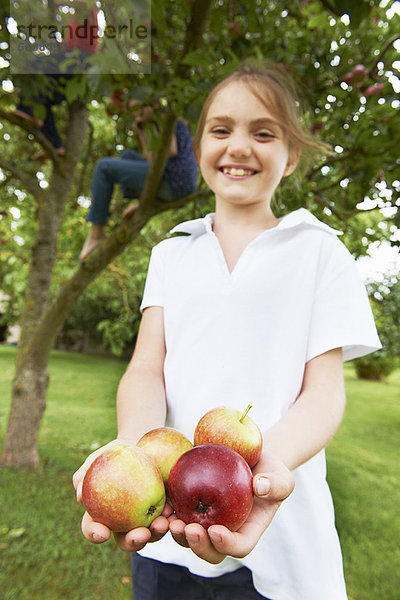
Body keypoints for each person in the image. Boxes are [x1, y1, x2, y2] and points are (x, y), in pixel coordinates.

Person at [73, 63, 381, 600]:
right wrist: (131, 450)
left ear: (292, 158)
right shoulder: (171, 252)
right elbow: (147, 369)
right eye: (221, 129)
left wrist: (259, 474)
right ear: (199, 150)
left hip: (283, 528)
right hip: (170, 522)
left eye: (263, 133)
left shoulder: (320, 252)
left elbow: (325, 392)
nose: (239, 145)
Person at [79, 109, 198, 260]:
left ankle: (96, 234)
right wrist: (141, 133)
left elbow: (171, 150)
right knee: (127, 156)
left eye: (140, 111)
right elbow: (151, 160)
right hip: (168, 179)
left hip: (175, 183)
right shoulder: (152, 124)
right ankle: (146, 200)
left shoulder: (165, 119)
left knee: (104, 167)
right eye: (135, 113)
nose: (137, 115)